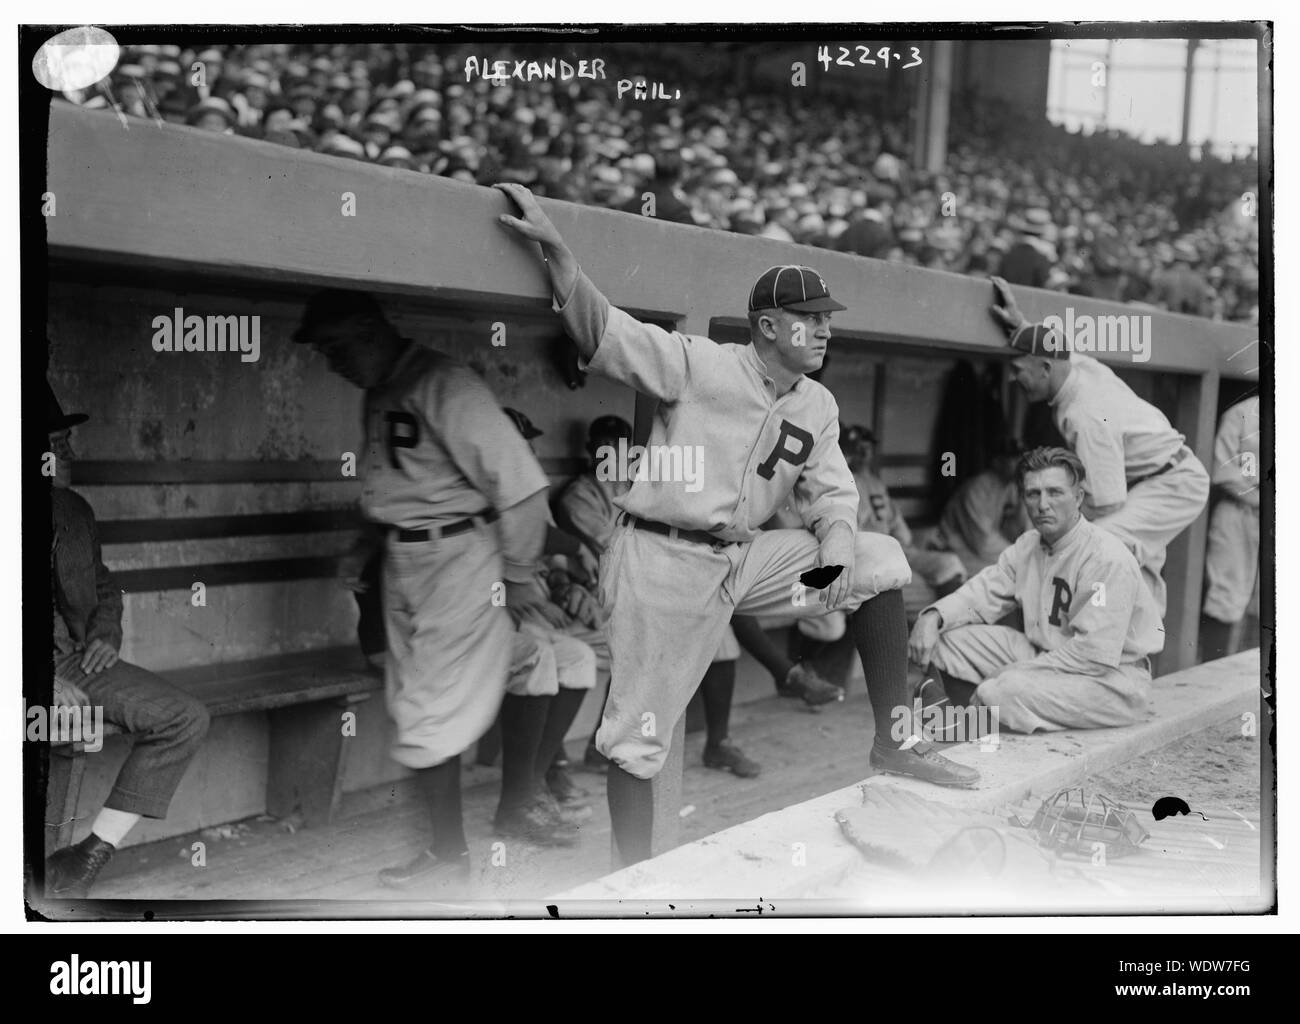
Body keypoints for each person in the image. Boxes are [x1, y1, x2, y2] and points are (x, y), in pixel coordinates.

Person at [495, 183, 979, 865]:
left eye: (827, 317)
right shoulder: (699, 363)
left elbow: (834, 497)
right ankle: (632, 887)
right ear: (770, 326)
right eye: (810, 318)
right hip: (660, 560)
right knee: (638, 740)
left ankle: (892, 741)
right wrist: (555, 248)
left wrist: (835, 558)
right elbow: (606, 331)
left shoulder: (817, 404)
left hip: (742, 561)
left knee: (879, 561)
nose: (826, 329)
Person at [293, 289, 553, 891]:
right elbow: (391, 488)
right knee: (419, 697)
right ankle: (477, 827)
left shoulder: (446, 383)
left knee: (427, 708)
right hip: (404, 559)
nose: (331, 362)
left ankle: (449, 852)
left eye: (336, 347)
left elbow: (522, 488)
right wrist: (364, 544)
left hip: (459, 557)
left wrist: (516, 577)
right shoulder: (381, 391)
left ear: (368, 331)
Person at [45, 382, 210, 897]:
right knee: (53, 729)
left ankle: (84, 858)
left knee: (186, 717)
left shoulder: (73, 511)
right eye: (56, 442)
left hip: (75, 663)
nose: (70, 451)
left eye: (67, 439)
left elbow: (104, 587)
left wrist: (105, 634)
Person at [988, 276, 1210, 616]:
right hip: (1156, 478)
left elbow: (1106, 502)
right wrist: (1022, 325)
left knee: (1092, 545)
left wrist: (1056, 521)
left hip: (1171, 484)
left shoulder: (1085, 416)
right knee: (1129, 556)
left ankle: (1093, 640)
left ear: (1046, 370)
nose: (1012, 379)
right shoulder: (1078, 367)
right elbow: (1056, 349)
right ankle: (1139, 642)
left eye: (1018, 371)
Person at [908, 447, 1162, 733]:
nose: (1043, 504)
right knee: (947, 642)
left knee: (1002, 691)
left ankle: (969, 735)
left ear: (1078, 497)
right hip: (1047, 657)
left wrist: (1010, 672)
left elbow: (1091, 656)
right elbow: (981, 593)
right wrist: (932, 617)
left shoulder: (1105, 557)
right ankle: (955, 729)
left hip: (1110, 680)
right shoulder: (1028, 544)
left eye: (1055, 492)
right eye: (1033, 494)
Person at [840, 424, 967, 613]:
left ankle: (951, 626)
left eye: (868, 449)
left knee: (950, 564)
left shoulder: (876, 483)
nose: (865, 454)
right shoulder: (842, 481)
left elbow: (900, 530)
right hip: (870, 557)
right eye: (859, 449)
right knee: (917, 588)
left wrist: (903, 543)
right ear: (848, 452)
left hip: (895, 549)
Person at [1200, 395, 1261, 660]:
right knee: (1227, 594)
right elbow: (1223, 471)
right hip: (1238, 510)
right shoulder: (1241, 413)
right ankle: (1214, 669)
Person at [928, 444, 1029, 577]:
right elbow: (982, 541)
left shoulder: (1009, 487)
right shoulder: (977, 489)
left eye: (1022, 457)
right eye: (1013, 458)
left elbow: (1016, 528)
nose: (1020, 462)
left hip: (979, 549)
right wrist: (1018, 555)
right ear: (997, 461)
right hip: (954, 547)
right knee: (1010, 572)